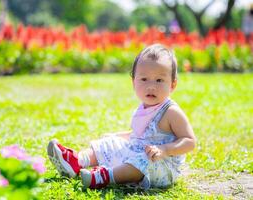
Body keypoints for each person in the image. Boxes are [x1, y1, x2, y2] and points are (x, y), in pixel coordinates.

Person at [47, 44, 196, 190]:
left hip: (161, 165)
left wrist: (164, 150)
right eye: (144, 79)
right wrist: (116, 136)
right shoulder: (144, 106)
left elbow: (190, 141)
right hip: (138, 150)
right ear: (133, 81)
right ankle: (77, 161)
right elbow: (138, 135)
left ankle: (106, 176)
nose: (151, 86)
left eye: (159, 80)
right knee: (109, 143)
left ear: (173, 84)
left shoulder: (171, 112)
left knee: (142, 160)